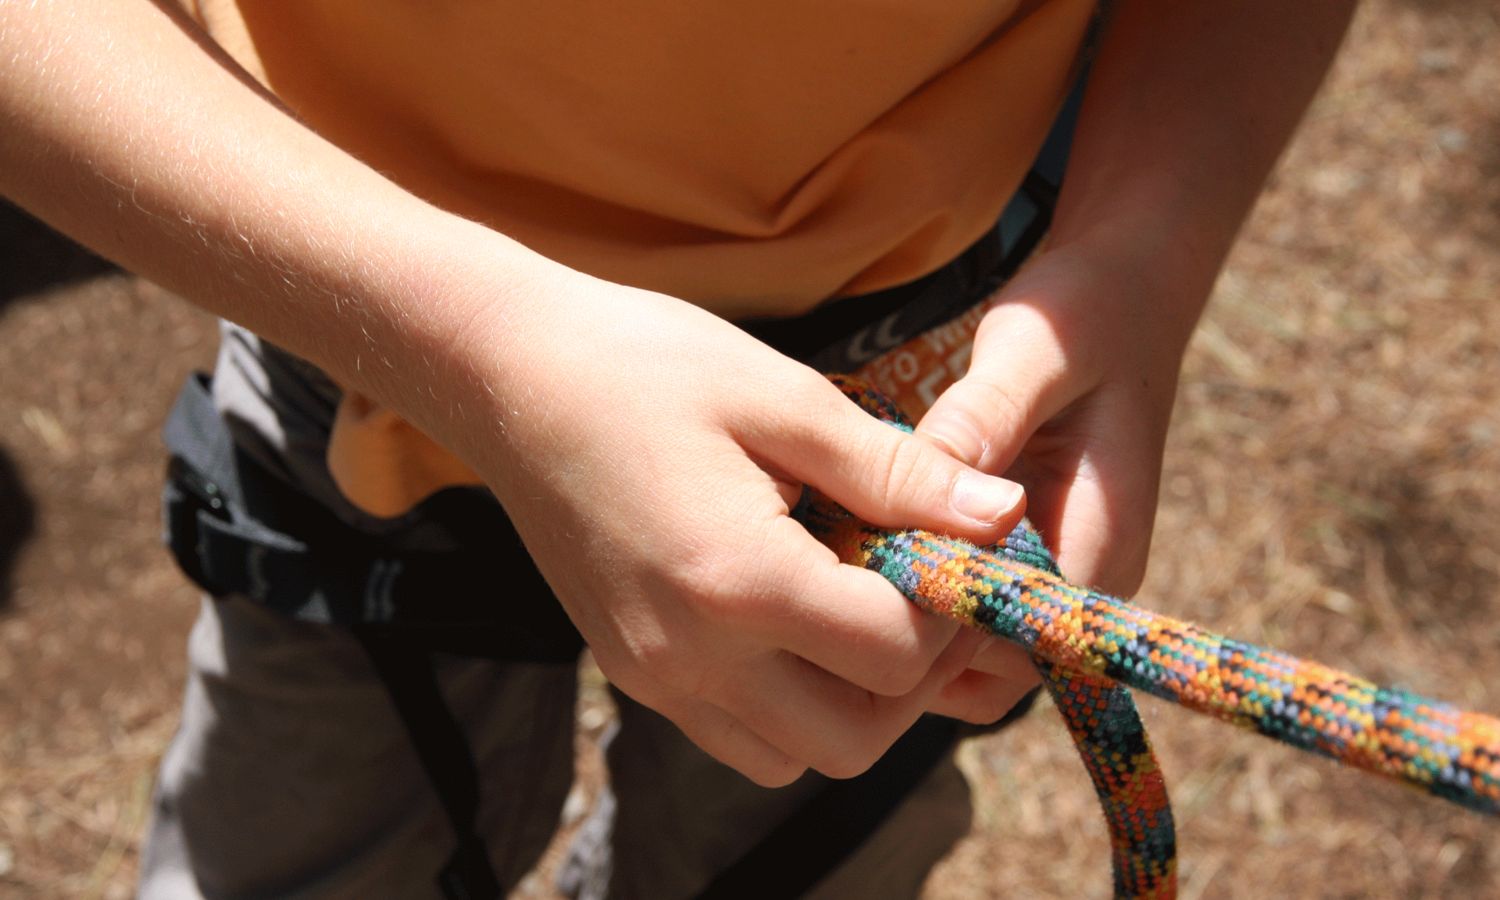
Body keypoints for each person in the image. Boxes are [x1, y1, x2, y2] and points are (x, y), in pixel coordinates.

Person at [0, 1, 1354, 896]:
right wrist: (473, 342)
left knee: (791, 833)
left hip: (912, 387)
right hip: (352, 343)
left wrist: (1139, 254)